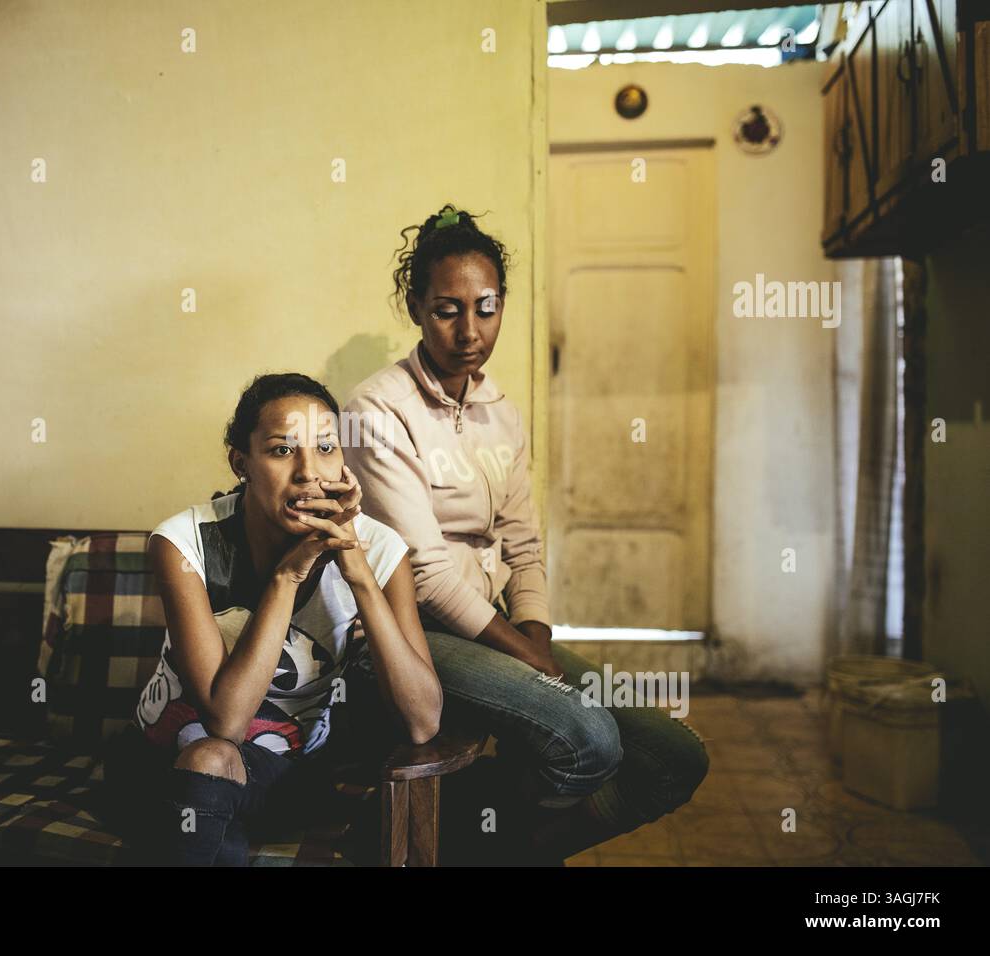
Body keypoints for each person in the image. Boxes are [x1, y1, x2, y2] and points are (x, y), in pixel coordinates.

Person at [342, 203, 709, 864]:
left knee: (671, 753)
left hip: (496, 623)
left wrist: (535, 630)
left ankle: (487, 851)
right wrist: (520, 647)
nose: (469, 329)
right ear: (417, 307)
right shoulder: (375, 411)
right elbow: (423, 571)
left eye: (486, 307)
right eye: (447, 309)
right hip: (407, 632)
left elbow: (524, 541)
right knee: (588, 737)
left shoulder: (501, 414)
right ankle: (459, 841)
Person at [104, 373, 442, 866]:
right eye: (283, 451)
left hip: (282, 778)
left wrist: (360, 574)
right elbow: (226, 721)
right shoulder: (184, 542)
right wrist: (289, 574)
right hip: (159, 769)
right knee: (209, 767)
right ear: (241, 463)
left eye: (326, 448)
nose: (308, 472)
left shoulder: (383, 551)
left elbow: (422, 722)